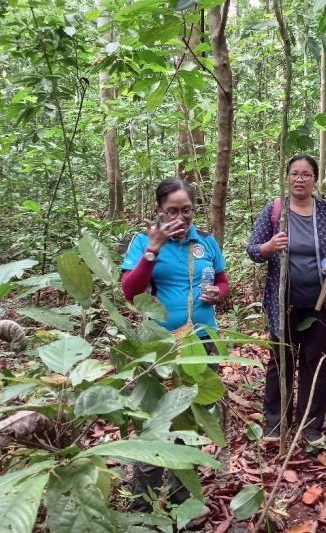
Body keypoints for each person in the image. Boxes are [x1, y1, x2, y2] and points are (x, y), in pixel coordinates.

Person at [120, 178, 229, 510]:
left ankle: (183, 501)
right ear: (159, 211)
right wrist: (153, 250)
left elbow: (223, 282)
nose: (180, 218)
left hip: (202, 342)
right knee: (155, 421)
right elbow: (130, 291)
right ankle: (143, 504)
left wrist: (217, 294)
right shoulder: (143, 242)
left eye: (186, 211)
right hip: (161, 347)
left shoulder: (206, 243)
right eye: (172, 211)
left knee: (191, 421)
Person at [247, 154, 326, 446]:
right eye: (294, 173)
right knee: (281, 360)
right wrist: (268, 247)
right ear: (287, 177)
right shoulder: (275, 210)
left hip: (321, 303)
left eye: (306, 174)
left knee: (314, 361)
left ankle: (311, 426)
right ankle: (276, 423)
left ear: (315, 179)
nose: (300, 179)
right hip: (283, 303)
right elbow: (253, 250)